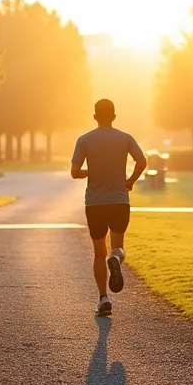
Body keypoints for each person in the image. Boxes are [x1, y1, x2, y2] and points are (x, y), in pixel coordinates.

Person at [71, 99, 147, 316]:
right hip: (119, 200)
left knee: (98, 252)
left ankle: (104, 298)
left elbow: (75, 172)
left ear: (95, 116)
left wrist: (92, 171)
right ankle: (116, 259)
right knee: (117, 248)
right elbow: (142, 161)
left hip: (95, 202)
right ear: (114, 116)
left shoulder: (84, 140)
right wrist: (130, 180)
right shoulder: (125, 138)